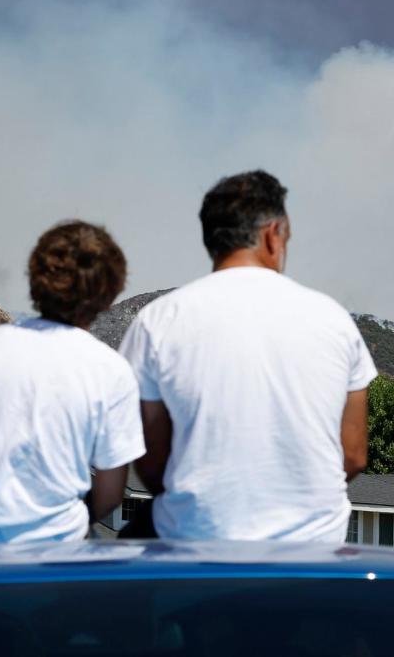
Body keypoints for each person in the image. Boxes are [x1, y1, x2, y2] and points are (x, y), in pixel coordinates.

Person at [119, 170, 376, 541]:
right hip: (312, 557)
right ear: (274, 234)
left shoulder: (158, 321)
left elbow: (151, 460)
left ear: (211, 239)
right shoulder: (333, 321)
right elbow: (353, 455)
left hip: (195, 551)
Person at [0, 221, 144, 546]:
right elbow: (111, 494)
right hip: (45, 551)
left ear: (36, 279)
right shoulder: (110, 370)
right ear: (108, 292)